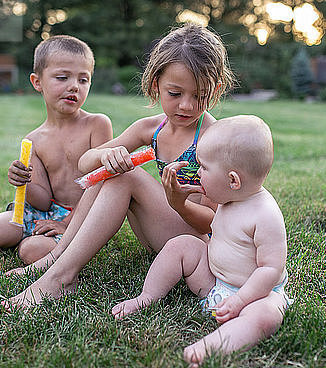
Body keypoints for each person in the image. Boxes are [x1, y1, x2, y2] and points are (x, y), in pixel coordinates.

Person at [3, 23, 235, 310]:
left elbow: (213, 223)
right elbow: (85, 163)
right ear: (155, 85)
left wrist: (179, 203)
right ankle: (57, 258)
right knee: (114, 172)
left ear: (217, 89)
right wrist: (106, 157)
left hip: (195, 246)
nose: (186, 106)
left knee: (126, 177)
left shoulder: (214, 139)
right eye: (175, 94)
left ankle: (61, 276)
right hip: (161, 238)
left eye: (199, 96)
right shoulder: (151, 128)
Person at [111, 115, 291, 367]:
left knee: (265, 317)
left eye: (203, 169)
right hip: (215, 282)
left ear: (232, 180)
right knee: (181, 244)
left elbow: (270, 270)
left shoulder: (265, 214)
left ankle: (212, 345)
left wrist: (240, 300)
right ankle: (147, 296)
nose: (198, 175)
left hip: (257, 294)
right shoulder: (229, 199)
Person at [0, 35, 113, 264]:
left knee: (31, 251)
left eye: (83, 80)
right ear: (37, 82)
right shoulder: (34, 140)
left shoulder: (97, 125)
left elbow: (101, 184)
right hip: (48, 212)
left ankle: (50, 240)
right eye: (62, 77)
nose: (74, 86)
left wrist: (65, 224)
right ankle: (32, 234)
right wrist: (23, 182)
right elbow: (43, 202)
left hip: (85, 216)